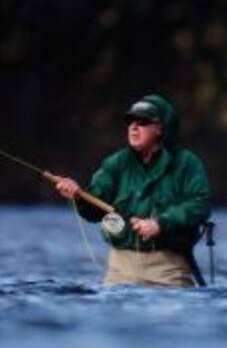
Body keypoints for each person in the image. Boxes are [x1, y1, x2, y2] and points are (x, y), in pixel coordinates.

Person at [54, 94, 212, 287]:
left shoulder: (187, 163)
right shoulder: (116, 163)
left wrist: (160, 223)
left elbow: (200, 204)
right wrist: (77, 196)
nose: (133, 127)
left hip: (168, 270)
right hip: (119, 271)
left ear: (160, 129)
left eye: (143, 122)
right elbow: (93, 211)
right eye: (130, 121)